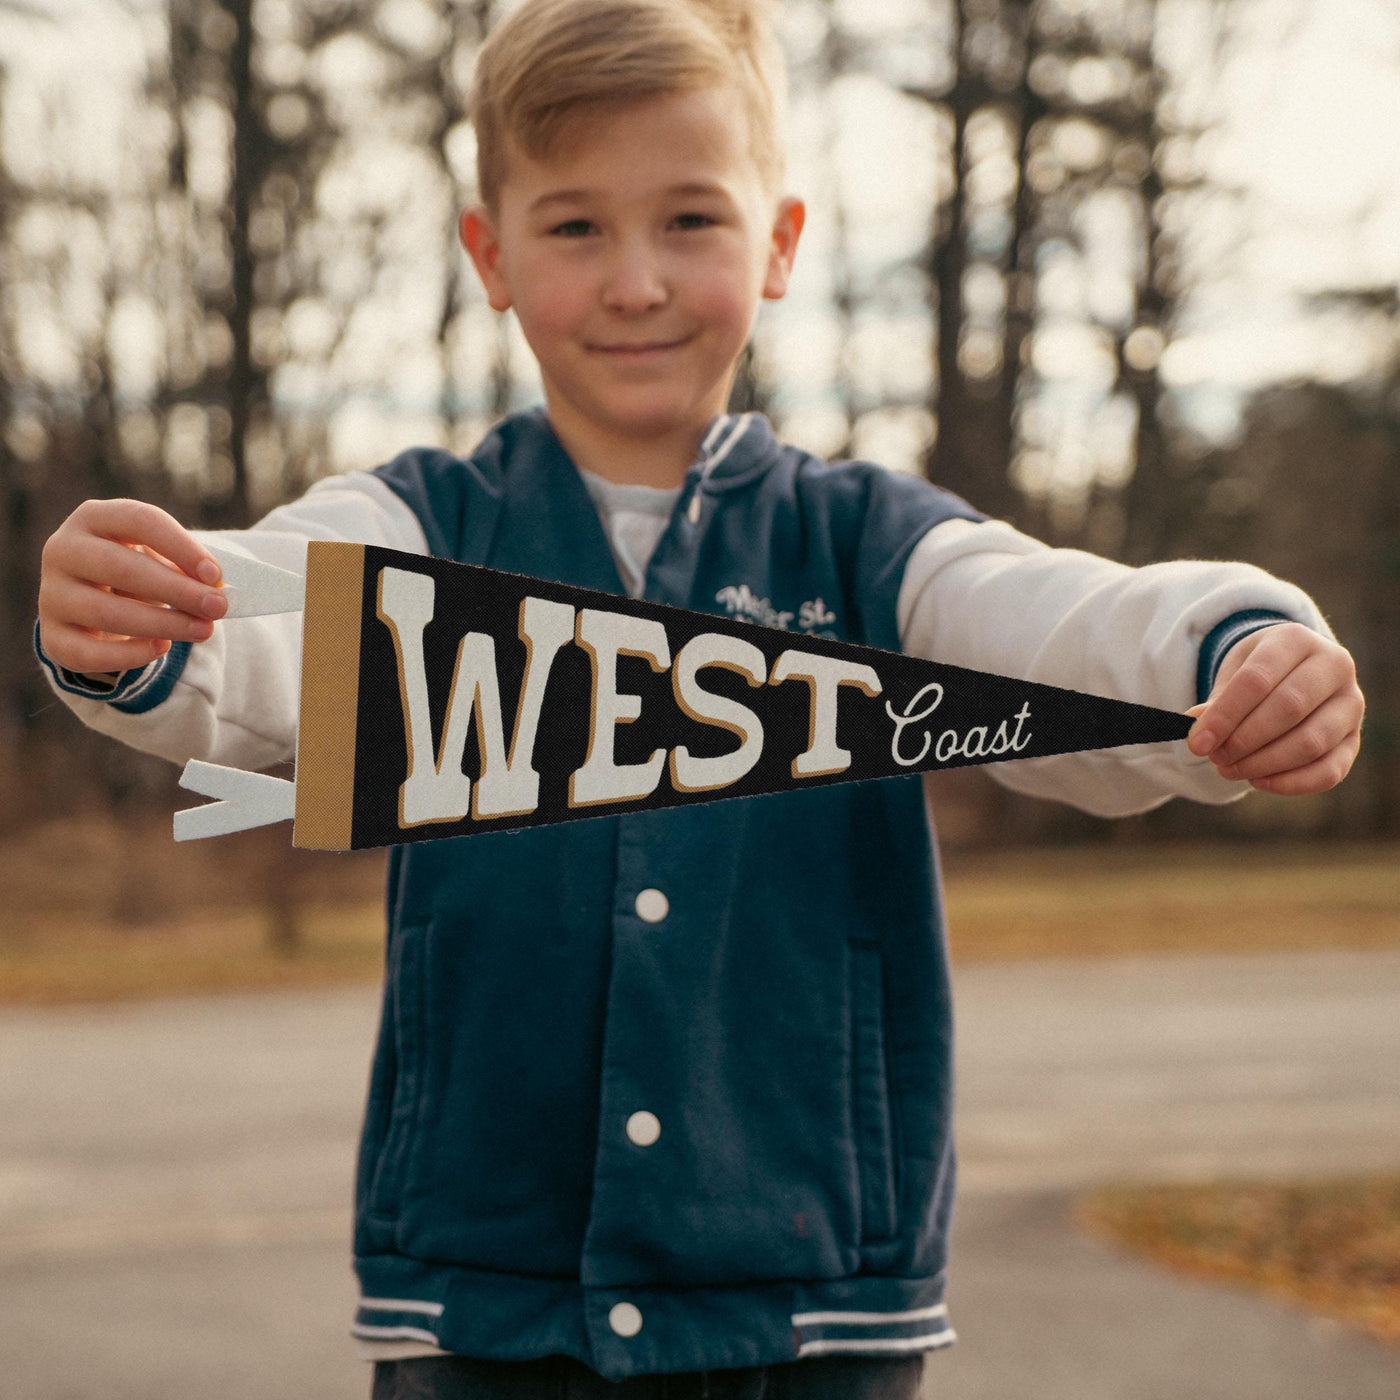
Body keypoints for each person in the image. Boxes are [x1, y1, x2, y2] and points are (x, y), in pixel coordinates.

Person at [35, 1, 1364, 1396]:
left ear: (778, 242)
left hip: (812, 1310)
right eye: (574, 227)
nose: (634, 282)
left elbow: (1057, 628)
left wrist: (1236, 645)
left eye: (687, 220)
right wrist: (140, 622)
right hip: (485, 1308)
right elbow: (259, 630)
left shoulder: (865, 543)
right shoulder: (426, 527)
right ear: (488, 253)